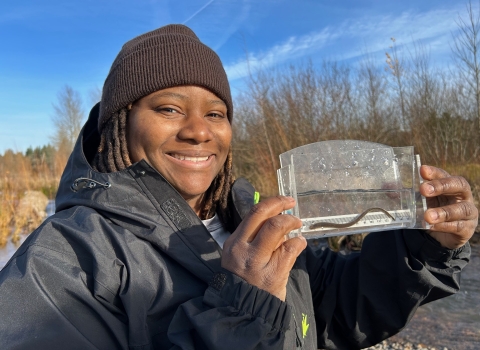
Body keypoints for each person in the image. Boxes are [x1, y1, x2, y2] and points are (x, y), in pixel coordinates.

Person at [0, 24, 477, 350]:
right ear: (119, 125)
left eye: (216, 113)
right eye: (168, 108)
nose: (199, 131)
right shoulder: (61, 262)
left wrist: (427, 244)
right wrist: (241, 311)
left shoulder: (250, 220)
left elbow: (332, 312)